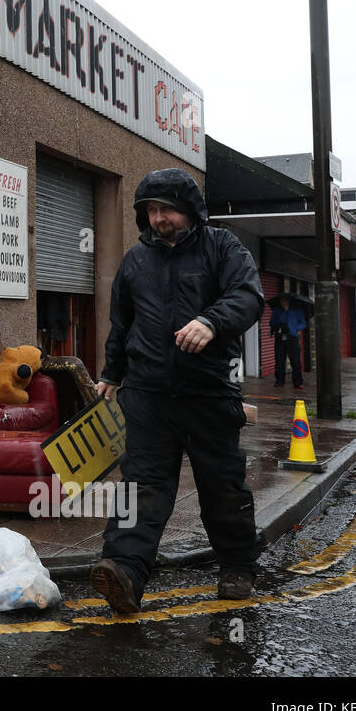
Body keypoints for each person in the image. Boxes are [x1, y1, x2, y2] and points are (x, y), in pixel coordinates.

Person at [89, 168, 265, 614]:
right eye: (150, 210)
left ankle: (237, 568)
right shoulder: (135, 261)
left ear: (189, 210)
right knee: (140, 486)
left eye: (166, 209)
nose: (158, 218)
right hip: (147, 395)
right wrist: (111, 372)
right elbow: (121, 324)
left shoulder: (222, 247)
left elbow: (247, 296)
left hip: (209, 391)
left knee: (221, 485)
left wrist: (210, 321)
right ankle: (125, 570)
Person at [270, 295, 306, 388]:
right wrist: (277, 326)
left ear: (289, 300)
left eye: (285, 300)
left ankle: (298, 382)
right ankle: (279, 381)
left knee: (295, 361)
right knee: (279, 360)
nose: (283, 302)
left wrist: (294, 328)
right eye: (281, 300)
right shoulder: (277, 311)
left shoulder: (296, 310)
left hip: (292, 338)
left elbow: (303, 323)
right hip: (280, 337)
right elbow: (272, 322)